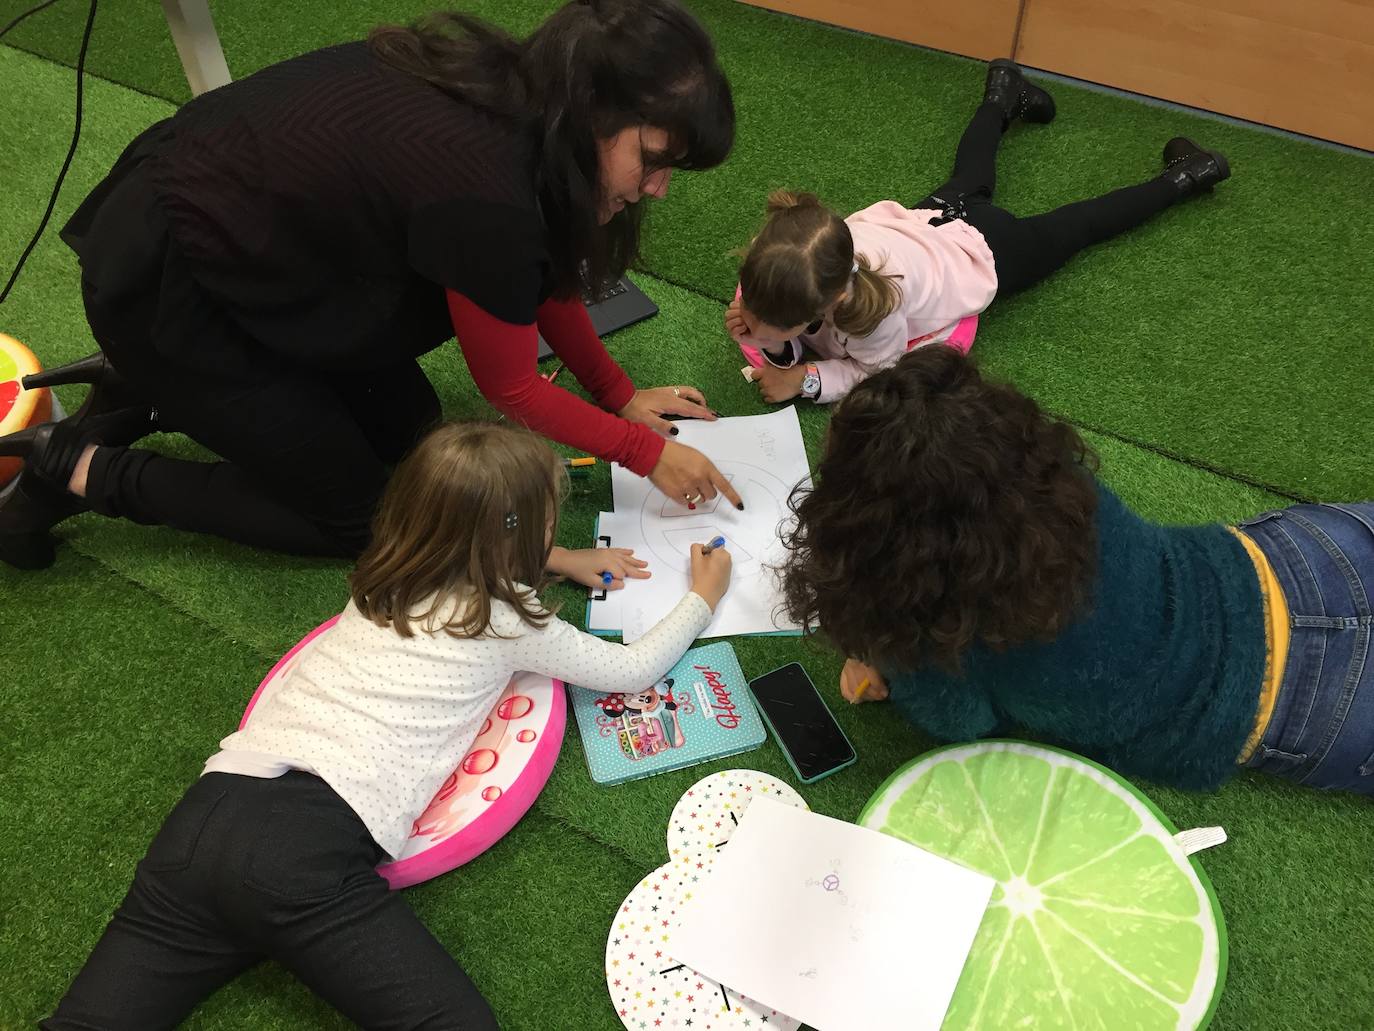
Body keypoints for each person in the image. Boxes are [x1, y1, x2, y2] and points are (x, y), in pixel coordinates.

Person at [0, 0, 743, 571]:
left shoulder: (529, 100)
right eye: (652, 159)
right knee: (358, 519)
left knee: (411, 432)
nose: (660, 188)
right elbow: (512, 387)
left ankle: (150, 388)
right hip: (176, 283)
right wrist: (645, 453)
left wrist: (616, 393)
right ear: (592, 109)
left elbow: (541, 276)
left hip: (268, 256)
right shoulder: (490, 194)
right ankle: (77, 466)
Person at [44, 420, 734, 1028]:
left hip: (208, 815)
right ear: (519, 537)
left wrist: (555, 558)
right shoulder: (506, 620)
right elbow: (632, 669)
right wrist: (702, 597)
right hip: (305, 849)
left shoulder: (382, 574)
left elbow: (470, 537)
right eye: (548, 524)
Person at [780, 345, 1374, 796]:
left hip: (1309, 706)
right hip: (1309, 555)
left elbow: (959, 721)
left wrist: (884, 654)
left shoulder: (935, 634)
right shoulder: (1053, 478)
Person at [725, 59, 1230, 405]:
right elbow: (782, 324)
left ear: (827, 304)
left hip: (983, 252)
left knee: (1077, 226)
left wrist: (806, 381)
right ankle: (1004, 94)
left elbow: (875, 374)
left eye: (770, 322)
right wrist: (770, 341)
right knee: (971, 174)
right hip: (932, 222)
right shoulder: (814, 245)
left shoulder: (874, 315)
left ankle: (1186, 175)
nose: (746, 313)